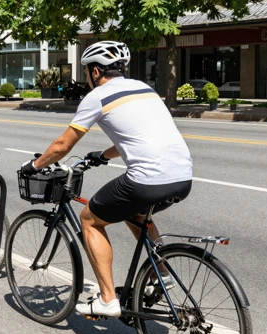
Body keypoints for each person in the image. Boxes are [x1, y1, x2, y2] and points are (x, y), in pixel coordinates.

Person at [20, 41, 193, 318]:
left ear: (96, 71)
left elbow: (63, 145)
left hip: (147, 180)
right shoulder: (144, 89)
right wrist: (103, 155)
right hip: (183, 177)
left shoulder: (98, 97)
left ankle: (107, 299)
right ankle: (163, 272)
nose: (88, 77)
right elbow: (139, 136)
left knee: (90, 218)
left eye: (88, 71)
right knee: (134, 212)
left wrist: (33, 165)